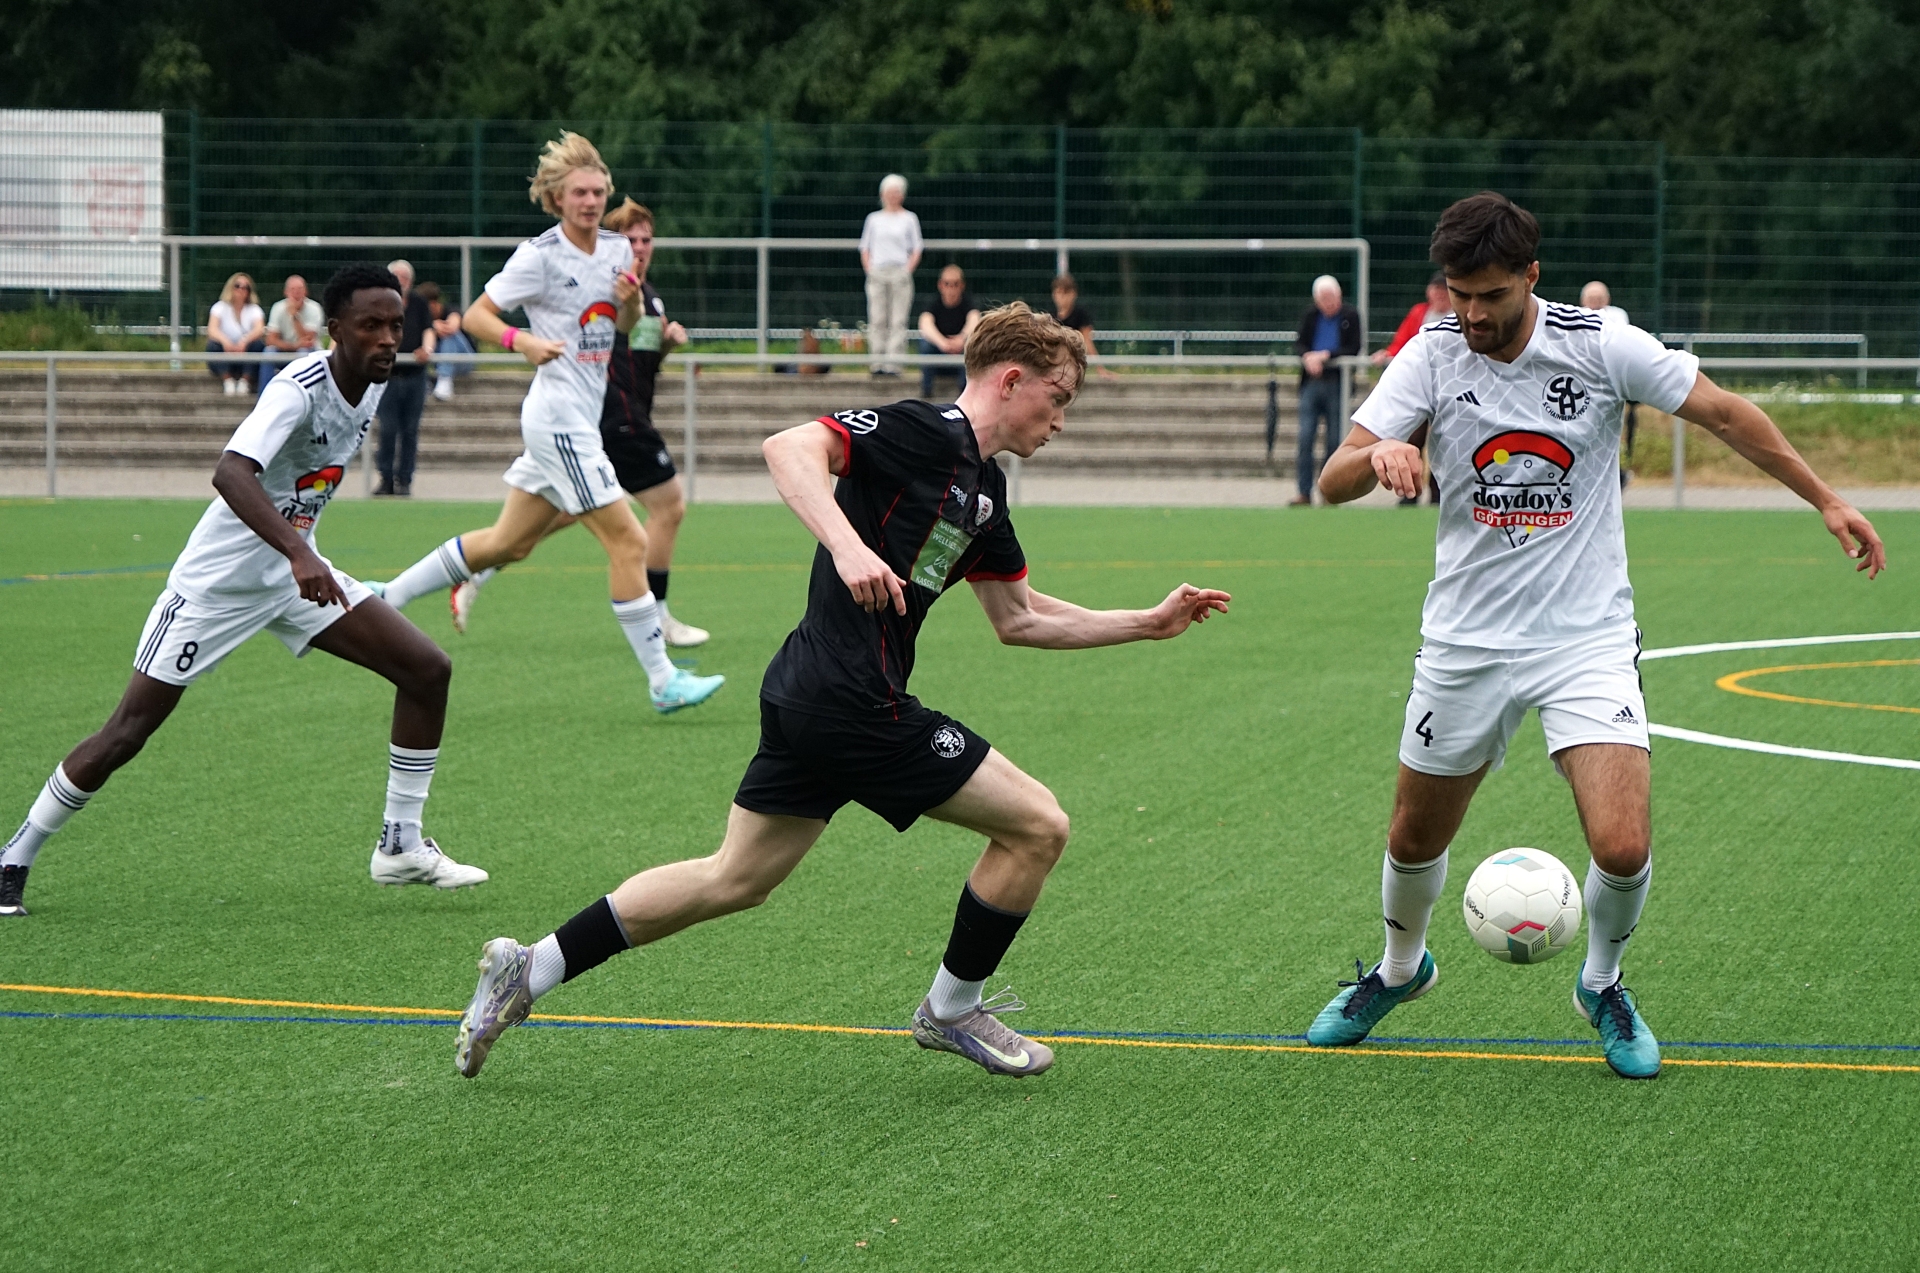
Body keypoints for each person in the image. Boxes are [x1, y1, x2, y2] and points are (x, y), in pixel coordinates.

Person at [450, 303, 1231, 1080]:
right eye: (1056, 398)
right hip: (855, 701)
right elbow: (789, 447)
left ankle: (531, 966)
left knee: (735, 877)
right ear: (1011, 379)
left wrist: (1148, 622)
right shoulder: (928, 431)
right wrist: (849, 546)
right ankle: (952, 1007)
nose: (1060, 420)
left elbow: (1019, 617)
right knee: (1039, 827)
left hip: (812, 694)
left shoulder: (984, 488)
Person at [1306, 192, 1885, 1080]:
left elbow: (1724, 412)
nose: (1473, 314)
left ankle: (1602, 983)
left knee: (1622, 844)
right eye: (1459, 293)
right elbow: (1331, 479)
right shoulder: (1432, 352)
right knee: (1414, 837)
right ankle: (1398, 968)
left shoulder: (1601, 342)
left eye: (1491, 294)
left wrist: (1827, 498)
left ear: (1531, 276)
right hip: (1464, 639)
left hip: (1586, 638)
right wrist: (1376, 456)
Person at [0, 264, 489, 919]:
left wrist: (299, 555)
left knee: (427, 670)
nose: (386, 339)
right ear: (335, 328)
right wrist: (297, 551)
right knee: (127, 731)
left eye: (395, 325)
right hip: (218, 586)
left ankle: (399, 844)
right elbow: (230, 471)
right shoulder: (298, 388)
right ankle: (13, 856)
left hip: (292, 579)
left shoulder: (373, 383)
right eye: (370, 325)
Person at [367, 134, 724, 715]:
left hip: (576, 416)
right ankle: (663, 680)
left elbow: (625, 325)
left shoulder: (616, 249)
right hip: (558, 419)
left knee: (508, 543)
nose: (590, 200)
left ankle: (386, 595)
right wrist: (522, 341)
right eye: (579, 192)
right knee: (630, 539)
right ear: (557, 198)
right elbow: (478, 315)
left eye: (598, 191)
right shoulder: (539, 256)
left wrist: (631, 300)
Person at [448, 198, 711, 648]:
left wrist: (667, 343)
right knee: (669, 506)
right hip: (613, 418)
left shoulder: (646, 295)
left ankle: (479, 568)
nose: (640, 247)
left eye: (646, 240)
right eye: (631, 240)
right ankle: (660, 620)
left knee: (563, 513)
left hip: (616, 416)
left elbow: (639, 356)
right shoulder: (605, 285)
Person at [1374, 274, 1452, 506]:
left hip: (1447, 389)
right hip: (1419, 388)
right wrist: (1388, 353)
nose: (1439, 295)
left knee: (1444, 444)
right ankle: (1410, 492)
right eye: (1436, 290)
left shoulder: (1459, 315)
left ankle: (1438, 494)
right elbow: (1404, 341)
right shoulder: (1419, 313)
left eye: (1443, 291)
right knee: (1412, 442)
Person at [1290, 275, 1362, 506]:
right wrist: (1307, 357)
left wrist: (1326, 356)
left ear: (1339, 296)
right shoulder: (1310, 316)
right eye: (1324, 299)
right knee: (1305, 437)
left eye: (1332, 297)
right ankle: (1304, 491)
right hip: (1311, 384)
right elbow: (1299, 343)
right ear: (1317, 300)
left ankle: (1330, 491)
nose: (1329, 303)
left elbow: (1354, 347)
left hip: (1338, 384)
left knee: (1335, 440)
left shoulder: (1350, 316)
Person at [373, 259, 436, 497]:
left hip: (414, 376)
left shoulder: (419, 303)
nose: (402, 282)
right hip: (388, 376)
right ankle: (386, 478)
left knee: (410, 430)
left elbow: (428, 330)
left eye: (405, 278)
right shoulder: (380, 304)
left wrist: (426, 350)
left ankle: (405, 480)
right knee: (387, 429)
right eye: (398, 277)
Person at [860, 174, 922, 377]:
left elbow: (916, 247)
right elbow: (865, 247)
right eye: (889, 192)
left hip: (899, 272)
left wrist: (907, 270)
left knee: (898, 320)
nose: (893, 196)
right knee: (877, 318)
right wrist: (870, 269)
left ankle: (894, 364)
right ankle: (876, 362)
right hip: (877, 272)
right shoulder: (873, 219)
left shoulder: (909, 218)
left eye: (897, 192)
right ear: (882, 194)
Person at [1581, 281, 1636, 487]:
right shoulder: (1574, 316)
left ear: (1607, 299)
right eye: (1591, 298)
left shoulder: (1617, 315)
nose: (1595, 302)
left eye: (1599, 298)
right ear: (1583, 300)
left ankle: (1617, 473)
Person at [917, 263, 978, 398]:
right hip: (938, 352)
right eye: (947, 284)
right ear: (940, 285)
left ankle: (964, 393)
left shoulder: (968, 302)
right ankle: (926, 392)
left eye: (955, 284)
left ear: (962, 285)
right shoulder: (933, 302)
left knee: (972, 346)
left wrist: (961, 340)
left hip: (960, 354)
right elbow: (925, 323)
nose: (951, 288)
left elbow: (974, 319)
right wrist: (942, 343)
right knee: (925, 344)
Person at [205, 273, 266, 395]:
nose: (241, 290)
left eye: (246, 287)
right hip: (226, 354)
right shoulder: (219, 307)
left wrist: (244, 342)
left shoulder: (254, 309)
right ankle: (228, 381)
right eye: (237, 286)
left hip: (245, 355)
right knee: (213, 345)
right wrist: (225, 342)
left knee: (258, 345)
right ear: (230, 287)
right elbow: (212, 329)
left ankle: (245, 381)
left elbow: (259, 329)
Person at [262, 274, 326, 388]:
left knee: (303, 353)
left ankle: (302, 390)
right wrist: (293, 346)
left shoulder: (314, 308)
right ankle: (264, 392)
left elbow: (308, 340)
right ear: (286, 292)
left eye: (300, 289)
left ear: (306, 292)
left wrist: (294, 316)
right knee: (269, 352)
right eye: (292, 289)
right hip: (285, 350)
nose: (296, 293)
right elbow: (270, 340)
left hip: (308, 351)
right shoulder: (278, 308)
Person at [1044, 274, 1111, 375]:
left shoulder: (1080, 315)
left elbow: (1087, 342)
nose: (1061, 297)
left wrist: (1100, 369)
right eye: (1058, 293)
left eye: (1065, 293)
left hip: (1074, 364)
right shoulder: (1050, 317)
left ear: (1073, 294)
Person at [420, 282, 474, 402]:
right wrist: (432, 327)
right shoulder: (423, 319)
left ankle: (444, 379)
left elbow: (452, 325)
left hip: (464, 360)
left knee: (449, 335)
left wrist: (437, 327)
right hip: (437, 362)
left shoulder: (451, 310)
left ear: (433, 304)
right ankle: (431, 379)